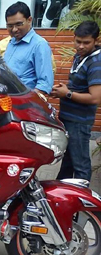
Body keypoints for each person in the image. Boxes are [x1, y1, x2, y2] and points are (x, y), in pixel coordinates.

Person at [51, 21, 101, 182]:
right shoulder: (80, 56)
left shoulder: (96, 63)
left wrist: (67, 94)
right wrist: (63, 90)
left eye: (86, 43)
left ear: (96, 40)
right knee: (68, 160)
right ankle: (60, 196)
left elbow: (95, 97)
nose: (80, 46)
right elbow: (79, 87)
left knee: (80, 164)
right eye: (78, 41)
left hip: (79, 122)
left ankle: (83, 200)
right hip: (70, 118)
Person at [3, 1, 54, 94]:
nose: (14, 29)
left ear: (29, 20)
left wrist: (28, 101)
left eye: (18, 24)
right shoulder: (11, 42)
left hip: (24, 104)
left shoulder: (39, 45)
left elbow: (45, 84)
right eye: (10, 26)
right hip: (7, 101)